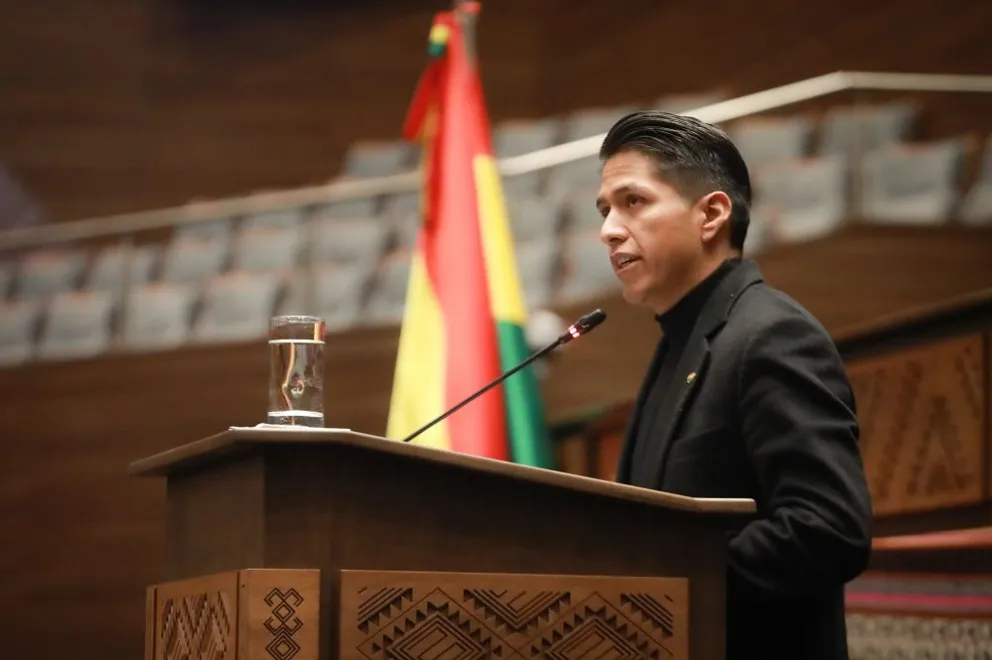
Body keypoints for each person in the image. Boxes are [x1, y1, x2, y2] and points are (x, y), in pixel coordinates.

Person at [596, 110, 873, 660]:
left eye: (634, 202)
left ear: (712, 214)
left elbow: (829, 529)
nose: (608, 229)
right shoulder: (681, 340)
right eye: (605, 210)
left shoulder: (771, 335)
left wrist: (664, 582)